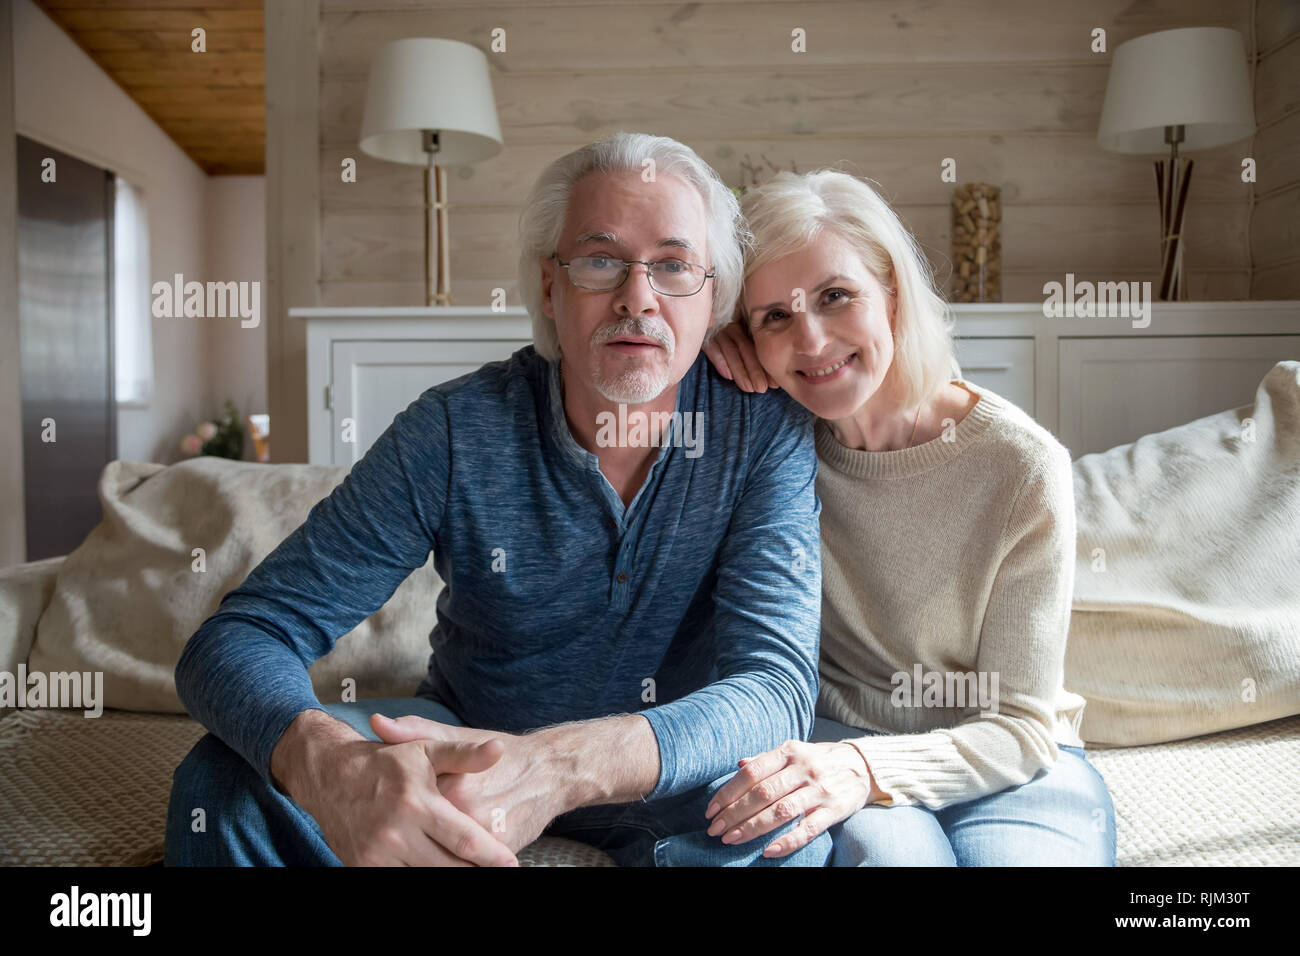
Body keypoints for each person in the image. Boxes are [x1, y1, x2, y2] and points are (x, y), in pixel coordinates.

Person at [163, 131, 831, 867]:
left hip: (678, 782)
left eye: (673, 267)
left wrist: (555, 767)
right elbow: (240, 637)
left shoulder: (762, 428)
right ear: (550, 285)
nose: (637, 297)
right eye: (600, 259)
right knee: (221, 781)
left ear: (713, 301)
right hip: (465, 755)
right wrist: (327, 762)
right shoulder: (455, 427)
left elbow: (773, 689)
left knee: (790, 837)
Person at [700, 169, 1116, 866]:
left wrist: (865, 769)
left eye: (836, 297)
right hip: (836, 744)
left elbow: (1020, 726)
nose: (811, 340)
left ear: (893, 292)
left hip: (1005, 760)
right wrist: (703, 361)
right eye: (775, 317)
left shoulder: (1021, 466)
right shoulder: (770, 443)